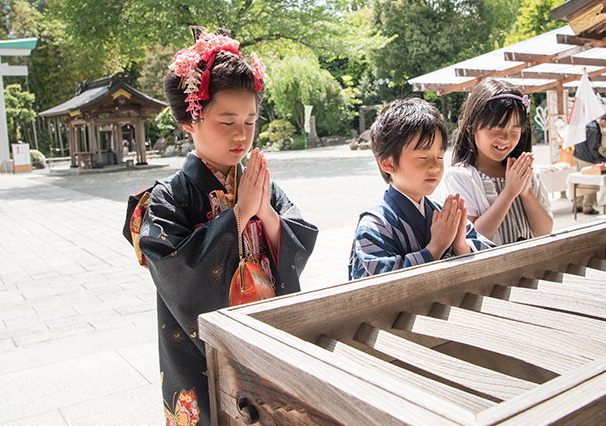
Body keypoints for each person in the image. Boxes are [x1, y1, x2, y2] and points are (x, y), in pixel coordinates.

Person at [122, 26, 317, 425]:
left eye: (250, 121)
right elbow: (177, 273)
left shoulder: (258, 183)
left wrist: (266, 215)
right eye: (226, 122)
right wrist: (239, 215)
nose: (241, 135)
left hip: (264, 332)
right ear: (191, 120)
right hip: (200, 351)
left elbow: (297, 238)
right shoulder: (168, 198)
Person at [349, 98, 493, 279]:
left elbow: (494, 258)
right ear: (388, 164)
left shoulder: (445, 214)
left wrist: (461, 246)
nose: (435, 167)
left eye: (440, 157)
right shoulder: (374, 227)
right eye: (423, 157)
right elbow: (382, 286)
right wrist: (436, 248)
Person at [437, 78, 554, 245]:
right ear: (471, 128)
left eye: (514, 130)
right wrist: (509, 193)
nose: (506, 138)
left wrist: (525, 192)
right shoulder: (459, 177)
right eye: (496, 128)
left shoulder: (525, 174)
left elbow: (544, 231)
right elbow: (471, 240)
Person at [571, 112, 606, 215]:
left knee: (580, 181)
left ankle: (577, 205)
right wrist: (602, 159)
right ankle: (588, 206)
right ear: (603, 122)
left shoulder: (589, 124)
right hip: (586, 158)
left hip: (579, 155)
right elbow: (593, 148)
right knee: (590, 183)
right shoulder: (594, 129)